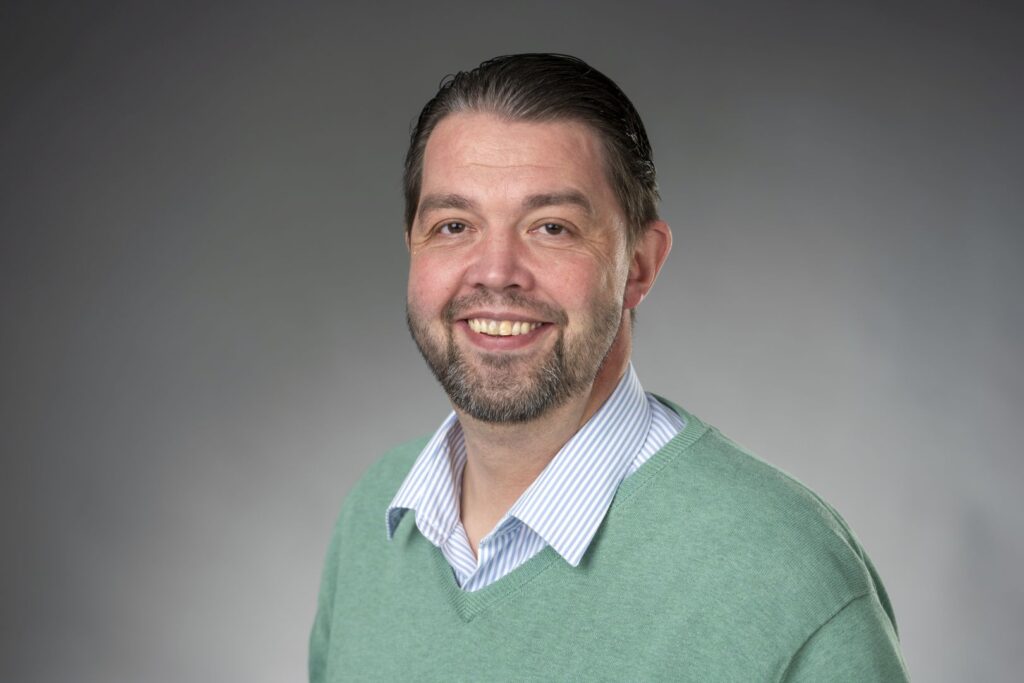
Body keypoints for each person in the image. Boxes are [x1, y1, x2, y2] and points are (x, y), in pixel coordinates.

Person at [309, 53, 909, 681]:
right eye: (454, 225)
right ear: (413, 247)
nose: (495, 272)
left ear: (640, 265)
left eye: (552, 228)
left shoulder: (786, 576)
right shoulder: (372, 519)